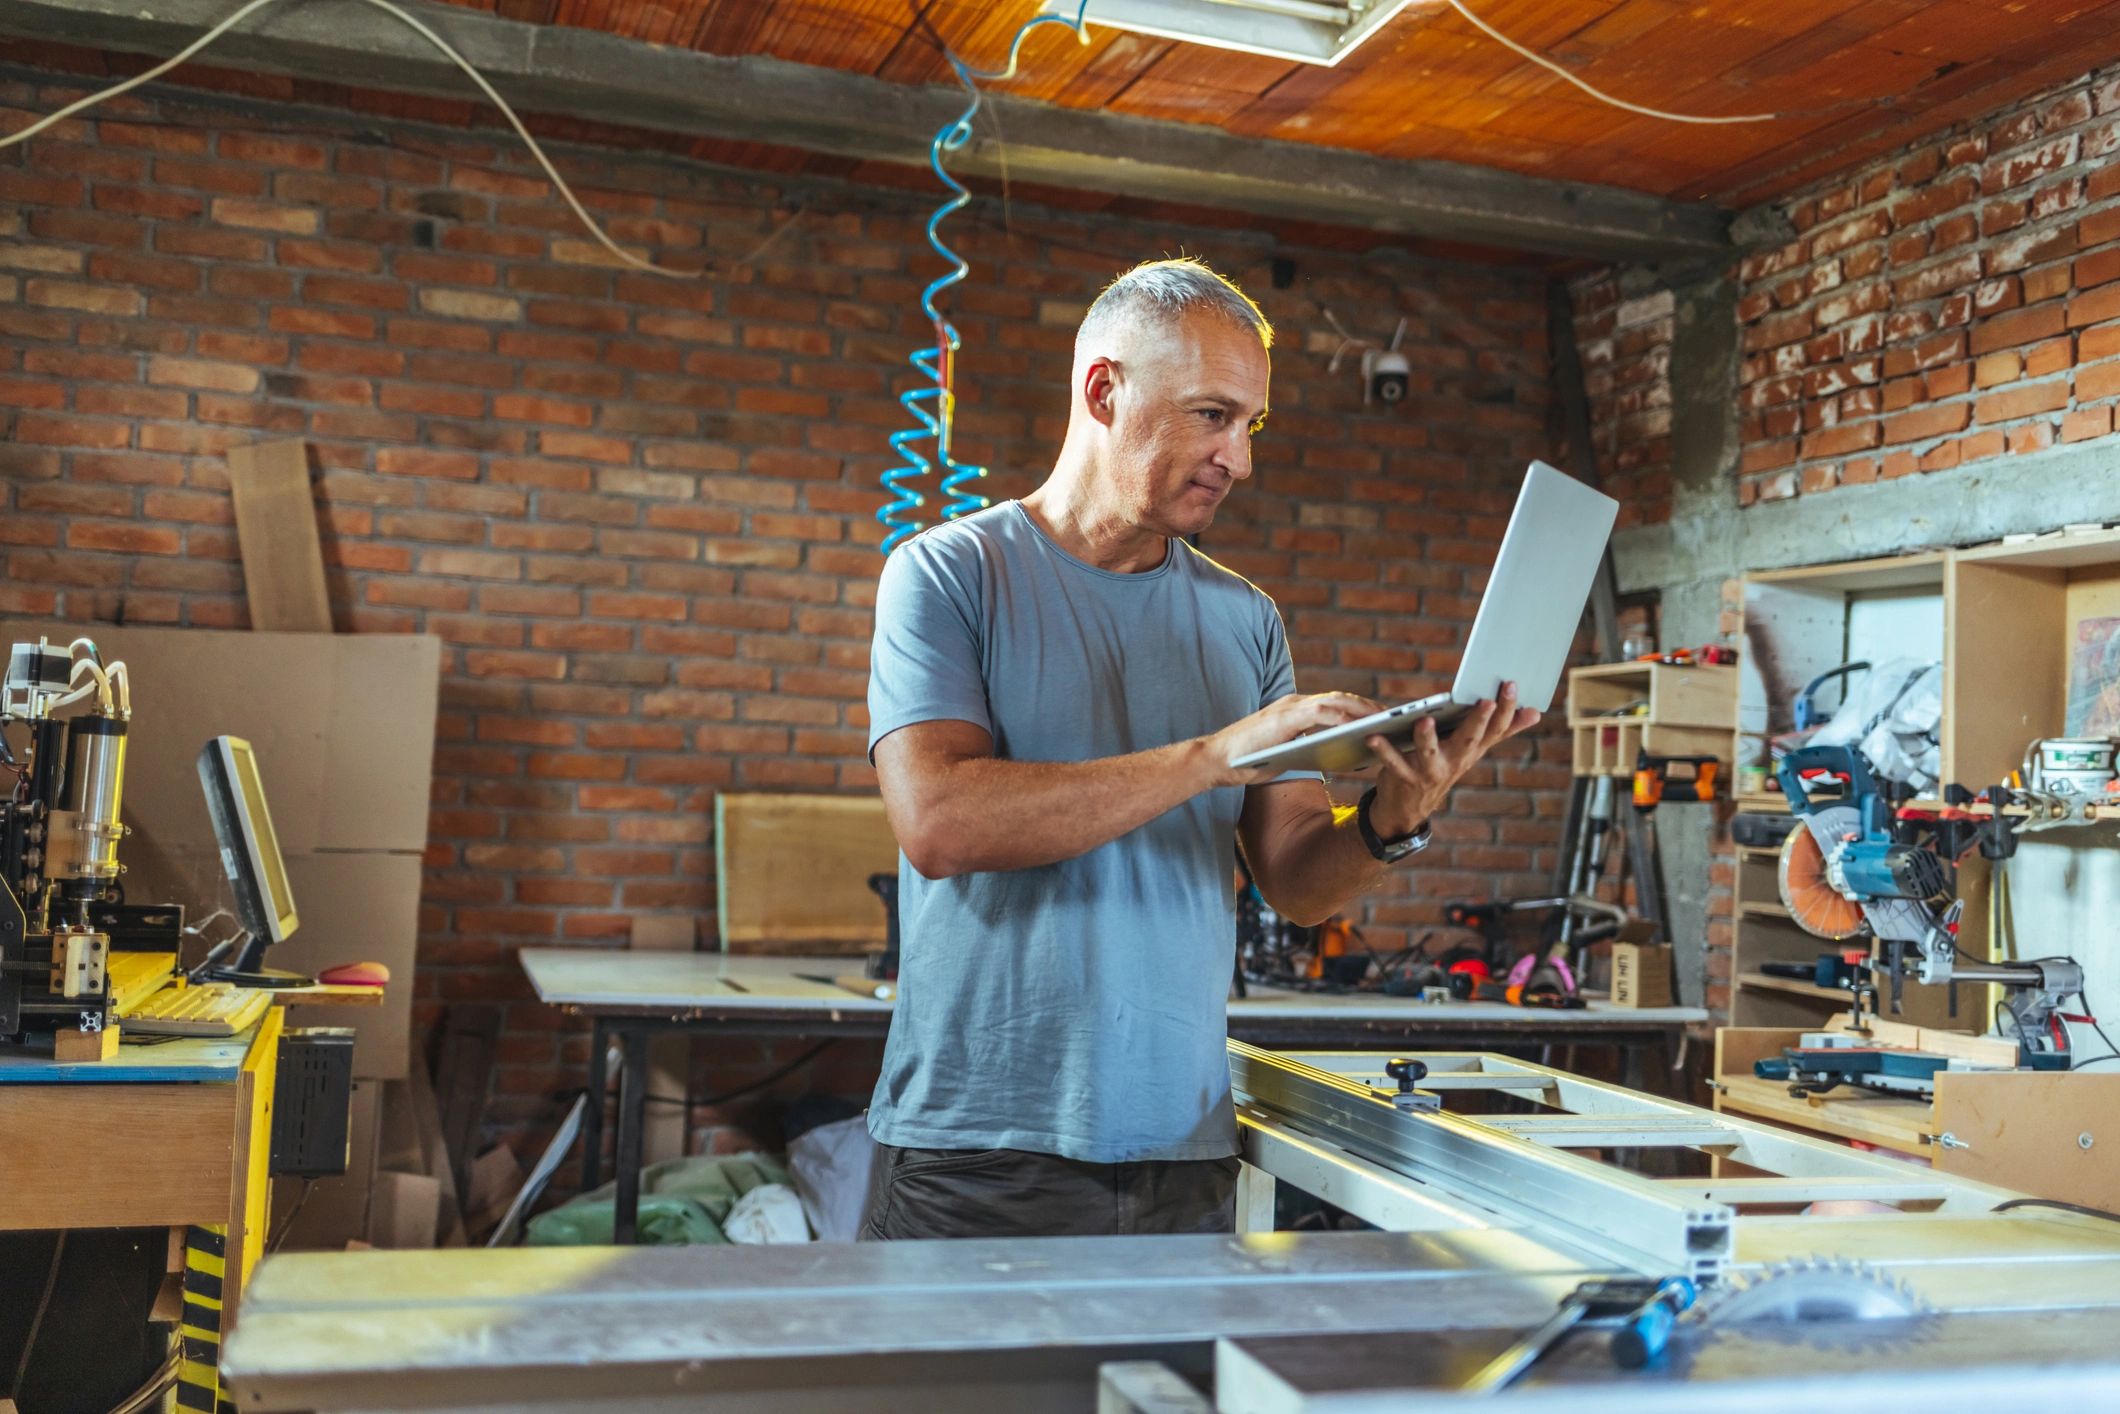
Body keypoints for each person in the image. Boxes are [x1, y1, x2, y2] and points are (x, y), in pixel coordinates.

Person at [858, 257, 1538, 1241]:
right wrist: (1216, 755)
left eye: (1247, 425)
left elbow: (1299, 879)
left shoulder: (1244, 618)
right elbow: (941, 822)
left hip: (1181, 1148)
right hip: (982, 1147)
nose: (1238, 458)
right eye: (1211, 415)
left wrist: (1395, 815)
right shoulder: (947, 575)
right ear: (1104, 391)